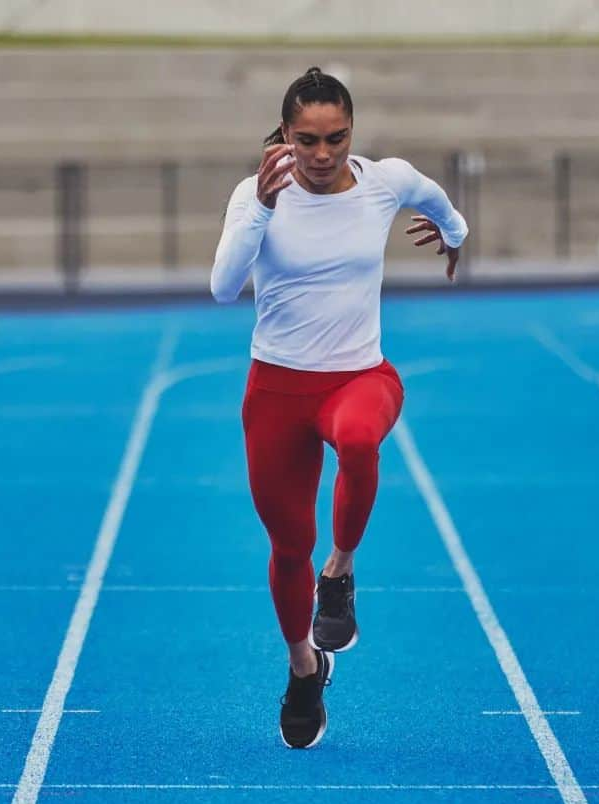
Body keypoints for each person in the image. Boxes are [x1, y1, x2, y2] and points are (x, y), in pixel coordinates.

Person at [210, 66, 468, 749]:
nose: (322, 155)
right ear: (286, 137)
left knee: (359, 440)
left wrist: (455, 233)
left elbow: (439, 199)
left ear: (351, 133)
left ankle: (342, 569)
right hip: (277, 392)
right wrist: (263, 210)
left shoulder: (385, 180)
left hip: (360, 377)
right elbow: (221, 286)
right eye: (307, 140)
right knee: (287, 545)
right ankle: (303, 669)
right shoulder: (255, 193)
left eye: (335, 138)